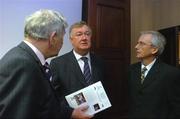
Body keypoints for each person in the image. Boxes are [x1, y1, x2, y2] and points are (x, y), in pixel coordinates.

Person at [0, 9, 90, 119]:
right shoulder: (23, 64)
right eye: (62, 36)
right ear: (53, 37)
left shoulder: (27, 58)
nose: (62, 41)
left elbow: (41, 104)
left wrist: (71, 113)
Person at [50, 21, 106, 119]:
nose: (84, 38)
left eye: (87, 34)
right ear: (71, 40)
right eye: (79, 34)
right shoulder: (58, 63)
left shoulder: (100, 62)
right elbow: (54, 96)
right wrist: (71, 112)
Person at [128, 31, 180, 119]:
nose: (136, 47)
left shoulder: (170, 73)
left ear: (154, 49)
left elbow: (176, 107)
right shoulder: (131, 69)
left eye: (142, 44)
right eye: (137, 43)